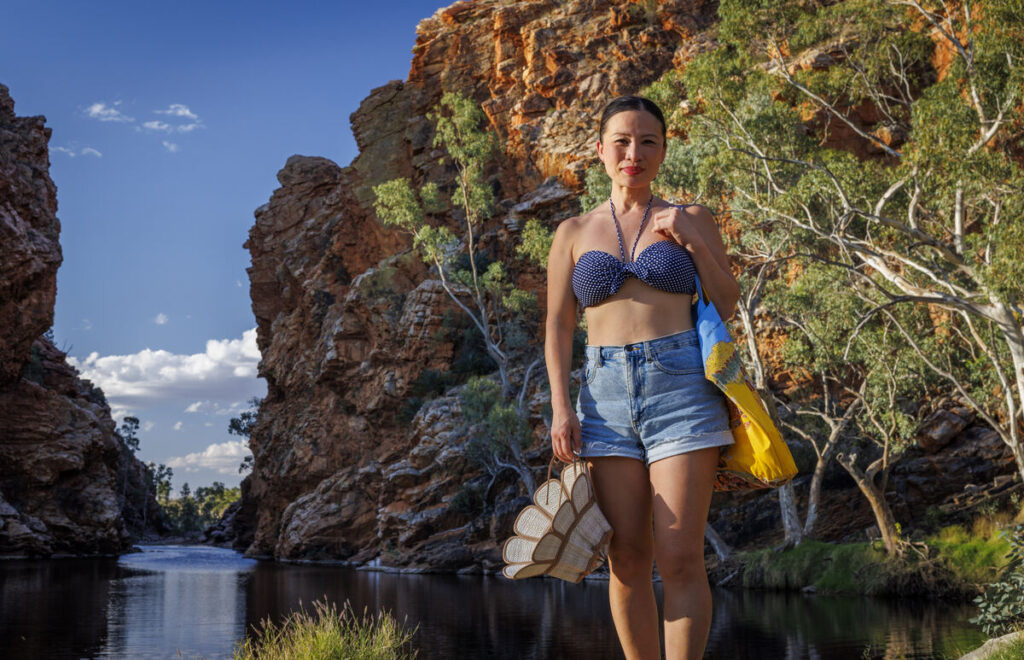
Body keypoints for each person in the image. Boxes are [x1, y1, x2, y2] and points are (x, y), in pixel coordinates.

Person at [544, 96, 740, 660]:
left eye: (648, 141)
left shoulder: (692, 218)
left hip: (682, 388)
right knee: (626, 556)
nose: (634, 153)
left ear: (663, 149)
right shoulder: (573, 232)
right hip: (603, 399)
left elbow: (726, 301)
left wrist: (693, 241)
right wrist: (561, 408)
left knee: (679, 556)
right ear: (600, 151)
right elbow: (558, 328)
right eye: (622, 142)